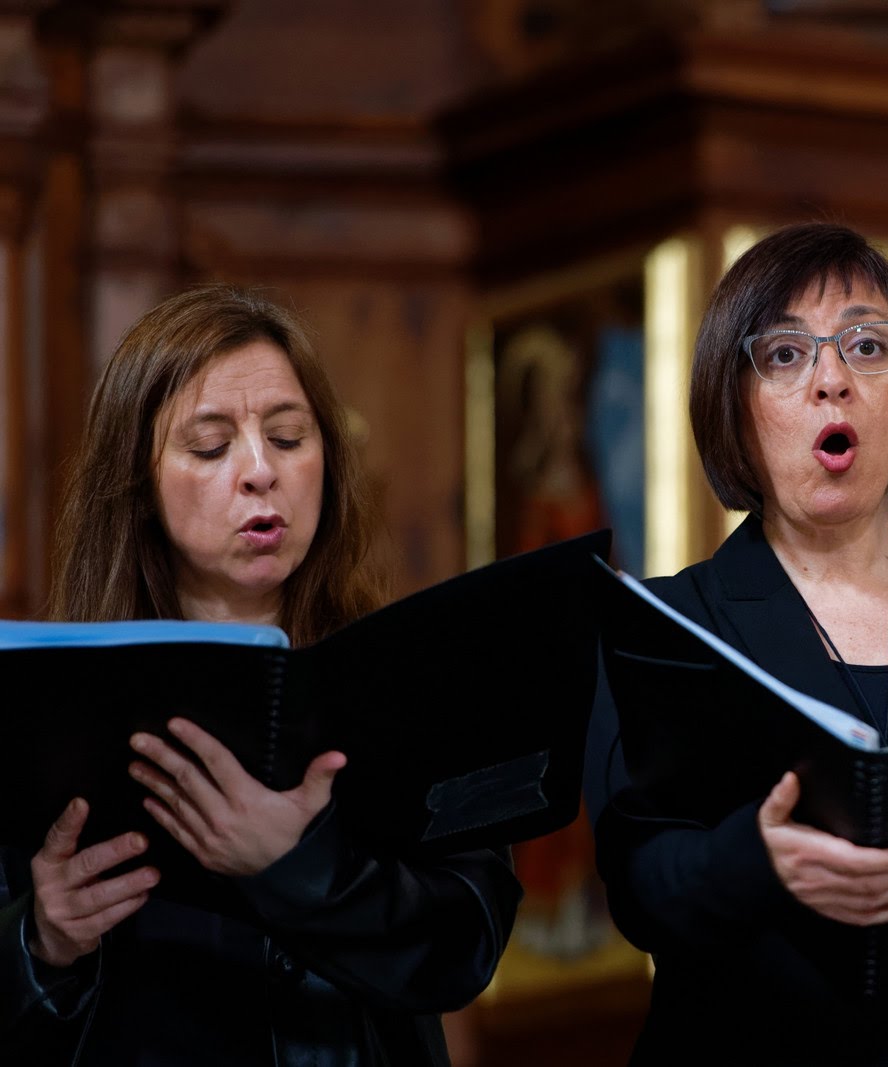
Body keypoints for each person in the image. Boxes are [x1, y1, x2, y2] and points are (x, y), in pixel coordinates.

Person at [584, 222, 888, 1064]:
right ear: (734, 408)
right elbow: (638, 881)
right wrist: (756, 859)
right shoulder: (665, 627)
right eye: (785, 355)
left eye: (865, 345)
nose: (831, 380)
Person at [0, 286, 522, 1064]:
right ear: (138, 484)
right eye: (211, 447)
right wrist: (41, 940)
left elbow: (465, 943)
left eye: (287, 437)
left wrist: (298, 865)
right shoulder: (50, 695)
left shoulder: (409, 675)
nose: (259, 472)